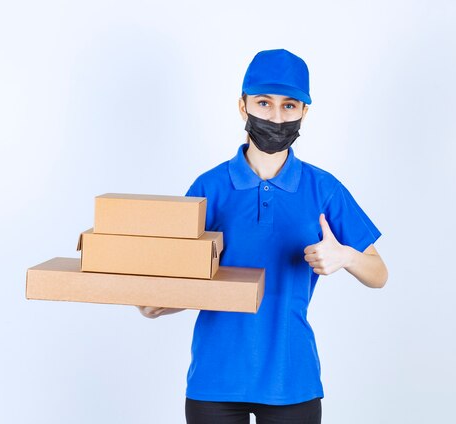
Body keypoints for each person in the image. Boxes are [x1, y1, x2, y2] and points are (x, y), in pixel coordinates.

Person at [137, 48, 388, 424]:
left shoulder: (324, 189)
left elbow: (379, 274)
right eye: (264, 103)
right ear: (243, 106)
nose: (275, 115)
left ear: (305, 112)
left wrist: (346, 257)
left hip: (291, 379)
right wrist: (158, 302)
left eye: (289, 105)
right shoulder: (210, 187)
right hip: (215, 379)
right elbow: (188, 280)